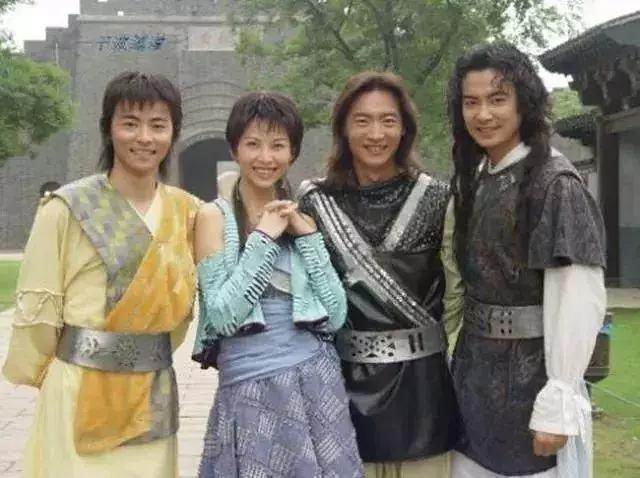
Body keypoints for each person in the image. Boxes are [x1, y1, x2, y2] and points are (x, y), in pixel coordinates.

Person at [2, 72, 201, 478]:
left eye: (158, 125)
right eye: (130, 123)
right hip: (77, 388)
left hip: (151, 392)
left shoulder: (188, 212)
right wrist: (52, 376)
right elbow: (38, 309)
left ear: (173, 133)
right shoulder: (65, 208)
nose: (144, 137)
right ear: (108, 128)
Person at [446, 42, 606, 477]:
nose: (483, 114)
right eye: (471, 102)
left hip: (532, 383)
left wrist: (558, 399)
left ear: (524, 103)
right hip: (473, 377)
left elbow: (578, 297)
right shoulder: (477, 178)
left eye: (497, 99)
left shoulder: (555, 184)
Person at [298, 71, 462, 477]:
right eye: (362, 120)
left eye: (388, 120)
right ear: (343, 128)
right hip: (341, 392)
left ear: (404, 128)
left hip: (424, 393)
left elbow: (457, 293)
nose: (376, 134)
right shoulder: (314, 202)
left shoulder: (437, 198)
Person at [192, 91, 363, 477]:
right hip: (250, 387)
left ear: (293, 153)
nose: (265, 157)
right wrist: (264, 240)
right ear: (234, 149)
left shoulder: (303, 219)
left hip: (315, 382)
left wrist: (309, 238)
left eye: (278, 145)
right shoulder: (213, 218)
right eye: (253, 144)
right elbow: (223, 317)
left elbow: (336, 315)